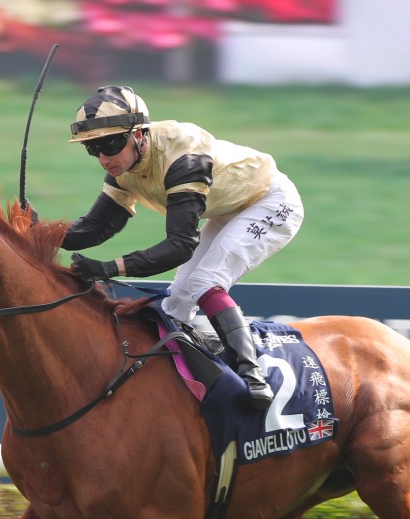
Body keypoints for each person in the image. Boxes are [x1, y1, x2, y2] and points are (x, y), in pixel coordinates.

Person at [60, 85, 304, 410]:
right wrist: (32, 230)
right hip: (227, 209)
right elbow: (95, 228)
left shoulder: (183, 157)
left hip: (269, 201)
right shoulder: (123, 168)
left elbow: (179, 246)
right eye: (93, 149)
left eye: (111, 144)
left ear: (139, 134)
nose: (104, 158)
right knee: (176, 304)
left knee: (204, 282)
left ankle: (252, 376)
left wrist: (108, 269)